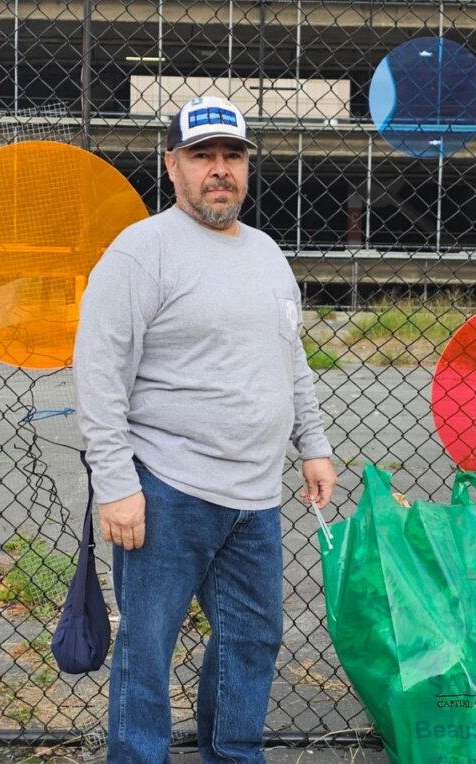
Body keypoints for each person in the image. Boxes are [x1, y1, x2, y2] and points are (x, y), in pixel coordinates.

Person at [73, 95, 337, 764]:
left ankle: (233, 754)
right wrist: (116, 485)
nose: (219, 170)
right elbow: (99, 371)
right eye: (202, 156)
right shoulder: (142, 252)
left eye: (231, 156)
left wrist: (315, 445)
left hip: (253, 500)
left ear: (246, 167)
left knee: (253, 639)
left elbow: (292, 358)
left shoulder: (268, 253)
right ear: (172, 165)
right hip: (166, 491)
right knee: (146, 651)